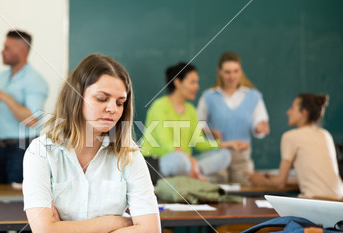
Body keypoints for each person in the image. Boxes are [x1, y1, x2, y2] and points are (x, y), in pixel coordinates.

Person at [22, 54, 161, 233]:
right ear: (76, 96)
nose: (112, 108)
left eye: (120, 102)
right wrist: (116, 222)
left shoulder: (129, 154)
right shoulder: (40, 152)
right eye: (102, 98)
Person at [0, 30, 48, 233]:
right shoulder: (2, 76)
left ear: (22, 51)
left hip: (23, 147)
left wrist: (4, 96)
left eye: (7, 48)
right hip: (1, 148)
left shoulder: (36, 81)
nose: (1, 51)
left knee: (21, 204)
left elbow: (31, 119)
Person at [141, 62, 233, 181]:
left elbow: (198, 142)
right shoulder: (159, 106)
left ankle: (191, 174)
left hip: (186, 163)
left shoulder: (191, 110)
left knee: (225, 155)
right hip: (160, 162)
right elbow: (167, 144)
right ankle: (194, 174)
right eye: (192, 82)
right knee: (180, 160)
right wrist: (191, 162)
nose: (197, 87)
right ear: (178, 82)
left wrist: (225, 144)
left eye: (197, 82)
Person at [249, 94, 343, 199]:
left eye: (292, 108)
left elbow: (280, 182)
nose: (288, 112)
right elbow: (314, 178)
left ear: (304, 113)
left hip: (317, 201)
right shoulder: (325, 135)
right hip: (339, 200)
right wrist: (275, 178)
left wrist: (258, 179)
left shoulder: (290, 137)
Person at [197, 52, 270, 184]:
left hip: (242, 157)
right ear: (219, 71)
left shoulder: (253, 96)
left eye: (236, 71)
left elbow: (259, 125)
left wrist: (260, 128)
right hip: (216, 156)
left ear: (241, 71)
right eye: (227, 72)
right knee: (216, 192)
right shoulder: (209, 96)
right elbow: (198, 124)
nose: (232, 76)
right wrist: (210, 131)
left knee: (247, 191)